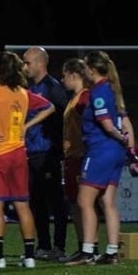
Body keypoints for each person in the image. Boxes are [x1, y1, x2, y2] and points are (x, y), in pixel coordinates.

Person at [0, 51, 55, 269]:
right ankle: (29, 257)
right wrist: (26, 126)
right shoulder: (24, 94)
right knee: (23, 205)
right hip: (18, 154)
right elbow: (50, 107)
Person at [65, 51, 138, 266]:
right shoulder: (113, 90)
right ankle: (112, 252)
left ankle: (87, 252)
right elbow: (126, 122)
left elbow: (107, 125)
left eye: (85, 67)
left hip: (100, 151)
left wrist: (121, 138)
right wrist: (130, 149)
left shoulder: (97, 92)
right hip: (114, 153)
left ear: (91, 70)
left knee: (83, 201)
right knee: (108, 202)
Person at [22, 46, 71, 260]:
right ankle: (44, 245)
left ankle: (59, 246)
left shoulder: (53, 88)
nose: (24, 67)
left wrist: (59, 145)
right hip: (30, 152)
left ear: (40, 63)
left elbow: (65, 118)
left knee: (56, 200)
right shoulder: (29, 88)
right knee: (36, 200)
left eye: (27, 62)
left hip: (48, 153)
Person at [59, 57, 91, 262]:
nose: (62, 80)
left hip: (80, 156)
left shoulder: (85, 98)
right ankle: (83, 247)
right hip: (72, 157)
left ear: (73, 75)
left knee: (83, 203)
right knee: (74, 203)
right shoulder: (74, 98)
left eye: (64, 76)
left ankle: (89, 247)